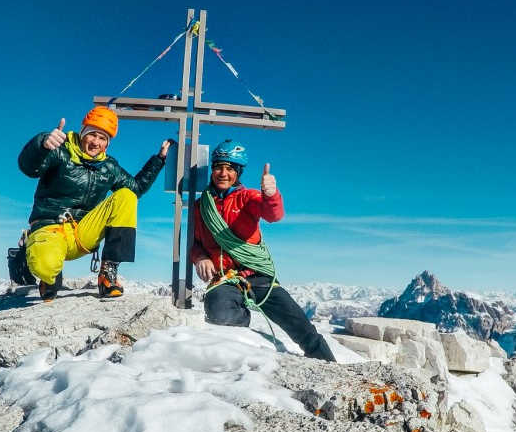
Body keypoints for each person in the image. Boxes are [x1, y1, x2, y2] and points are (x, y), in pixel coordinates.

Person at [191, 140, 335, 361]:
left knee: (302, 327)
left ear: (238, 172)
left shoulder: (247, 197)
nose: (223, 173)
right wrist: (200, 257)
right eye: (219, 166)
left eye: (230, 168)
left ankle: (330, 367)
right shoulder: (201, 207)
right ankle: (247, 352)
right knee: (219, 314)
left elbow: (272, 214)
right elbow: (195, 242)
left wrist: (271, 195)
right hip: (225, 279)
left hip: (258, 276)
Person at [18, 107, 170, 299]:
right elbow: (29, 168)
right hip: (50, 229)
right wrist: (42, 144)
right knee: (46, 266)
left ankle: (108, 272)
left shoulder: (109, 166)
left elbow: (136, 188)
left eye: (103, 138)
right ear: (83, 133)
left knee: (127, 196)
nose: (96, 142)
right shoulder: (60, 150)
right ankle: (49, 274)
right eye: (93, 135)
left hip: (83, 232)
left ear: (107, 143)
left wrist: (159, 159)